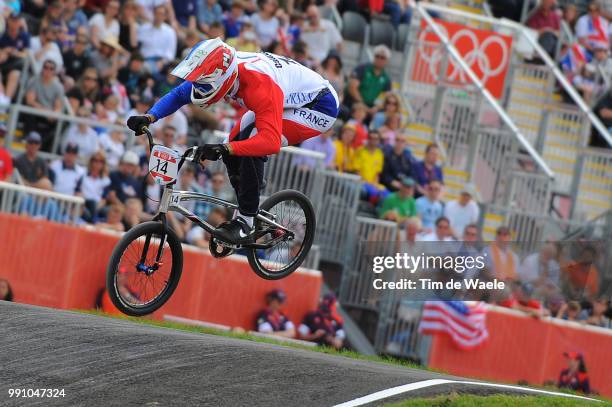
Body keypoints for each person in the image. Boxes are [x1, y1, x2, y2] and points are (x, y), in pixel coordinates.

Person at [127, 39, 339, 244]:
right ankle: (250, 198)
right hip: (285, 92)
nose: (199, 87)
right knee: (233, 143)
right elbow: (179, 94)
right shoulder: (220, 73)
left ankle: (246, 221)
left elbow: (270, 142)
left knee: (247, 144)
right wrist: (149, 117)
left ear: (222, 79)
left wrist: (224, 149)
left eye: (204, 83)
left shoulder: (259, 87)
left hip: (318, 106)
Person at [347, 45, 391, 113]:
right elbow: (352, 87)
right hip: (353, 104)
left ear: (387, 60)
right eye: (377, 56)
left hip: (371, 109)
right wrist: (361, 103)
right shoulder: (362, 68)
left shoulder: (386, 78)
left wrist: (376, 107)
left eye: (382, 57)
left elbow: (387, 97)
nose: (379, 59)